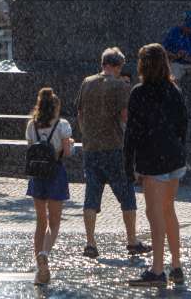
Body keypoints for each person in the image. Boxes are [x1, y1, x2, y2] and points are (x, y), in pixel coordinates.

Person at [75, 47, 151, 259]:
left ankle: (90, 243)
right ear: (117, 66)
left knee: (91, 197)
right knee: (127, 196)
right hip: (115, 148)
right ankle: (132, 241)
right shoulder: (121, 86)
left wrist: (87, 134)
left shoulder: (87, 82)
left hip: (91, 149)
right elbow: (125, 116)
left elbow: (79, 113)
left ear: (103, 64)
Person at [125, 43, 188, 287]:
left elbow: (132, 133)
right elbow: (183, 125)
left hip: (153, 161)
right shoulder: (175, 90)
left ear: (142, 65)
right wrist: (178, 149)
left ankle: (157, 270)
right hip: (174, 158)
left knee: (154, 215)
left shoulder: (139, 93)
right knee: (169, 210)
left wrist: (128, 164)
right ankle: (177, 265)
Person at [26, 88, 74, 285]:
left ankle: (40, 269)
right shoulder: (62, 125)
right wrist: (68, 144)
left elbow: (30, 149)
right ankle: (45, 253)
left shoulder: (32, 125)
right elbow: (68, 152)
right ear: (56, 107)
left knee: (40, 221)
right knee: (54, 222)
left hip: (37, 175)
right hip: (55, 174)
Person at [162, 11, 191, 108]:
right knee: (172, 80)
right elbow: (163, 50)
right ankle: (177, 107)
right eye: (188, 27)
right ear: (183, 25)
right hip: (177, 62)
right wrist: (176, 55)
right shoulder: (174, 32)